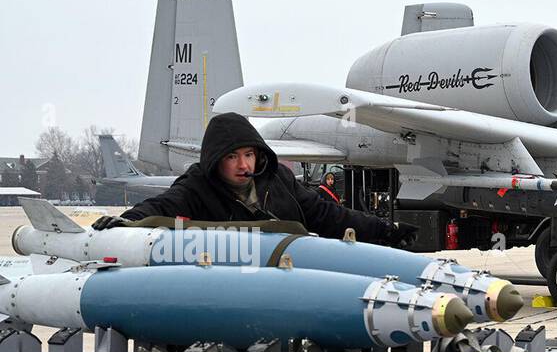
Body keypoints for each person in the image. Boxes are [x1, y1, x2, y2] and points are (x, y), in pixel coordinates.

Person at [92, 113, 416, 247]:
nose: (243, 164)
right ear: (216, 160)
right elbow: (161, 206)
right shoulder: (197, 187)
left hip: (284, 276)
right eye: (232, 157)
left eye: (248, 154)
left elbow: (326, 215)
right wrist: (125, 223)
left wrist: (384, 231)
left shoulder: (278, 181)